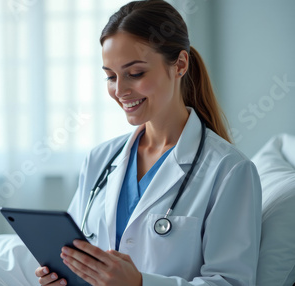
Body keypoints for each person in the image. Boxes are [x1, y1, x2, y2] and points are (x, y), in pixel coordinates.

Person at [36, 1, 261, 285]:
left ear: (180, 65)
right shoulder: (101, 159)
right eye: (110, 76)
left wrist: (141, 284)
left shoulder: (230, 170)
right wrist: (60, 276)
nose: (120, 90)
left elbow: (232, 282)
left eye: (136, 73)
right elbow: (75, 253)